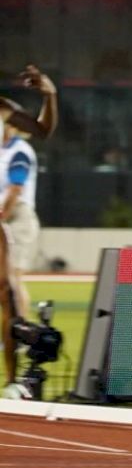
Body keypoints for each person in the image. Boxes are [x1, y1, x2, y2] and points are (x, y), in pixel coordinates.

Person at [1, 65, 58, 392]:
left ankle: (11, 383)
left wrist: (50, 95)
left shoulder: (3, 108)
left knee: (8, 293)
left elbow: (43, 129)